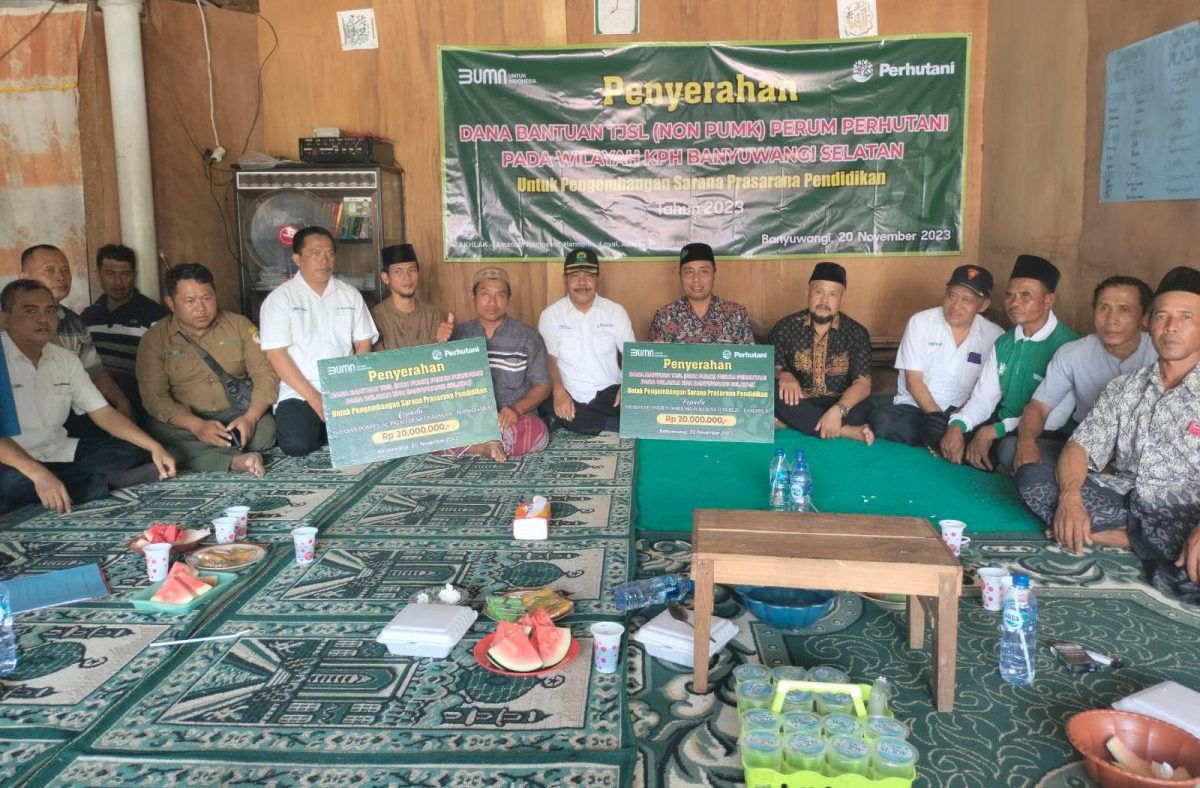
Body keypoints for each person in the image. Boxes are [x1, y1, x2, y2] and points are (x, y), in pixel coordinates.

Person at [1015, 267, 1200, 602]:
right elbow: (1079, 445)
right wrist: (1070, 497)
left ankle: (1119, 537)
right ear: (1149, 323)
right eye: (1162, 316)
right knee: (1032, 477)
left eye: (1185, 317)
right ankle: (1137, 536)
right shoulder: (1125, 387)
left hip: (1188, 508)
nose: (1171, 326)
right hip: (1125, 497)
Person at [0, 280, 175, 512]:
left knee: (140, 450)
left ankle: (69, 483)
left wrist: (154, 447)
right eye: (31, 311)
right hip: (11, 462)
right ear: (4, 318)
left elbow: (102, 412)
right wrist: (38, 474)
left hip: (58, 450)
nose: (43, 319)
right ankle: (107, 483)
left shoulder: (65, 359)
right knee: (10, 485)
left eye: (50, 311)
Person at [938, 254, 1079, 470]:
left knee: (1007, 449)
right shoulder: (1003, 342)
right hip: (1000, 424)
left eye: (1025, 296)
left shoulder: (1069, 346)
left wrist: (995, 430)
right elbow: (983, 400)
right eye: (1009, 295)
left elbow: (1056, 417)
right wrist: (957, 426)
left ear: (1048, 300)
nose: (1014, 303)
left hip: (1047, 433)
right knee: (945, 429)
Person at [137, 263, 279, 477]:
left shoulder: (239, 325)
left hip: (235, 413)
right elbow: (154, 397)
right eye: (190, 301)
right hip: (185, 419)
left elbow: (265, 375)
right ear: (171, 303)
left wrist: (250, 418)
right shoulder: (155, 338)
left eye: (207, 298)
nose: (201, 308)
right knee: (157, 432)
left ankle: (207, 453)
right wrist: (196, 425)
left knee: (267, 430)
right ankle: (236, 459)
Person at [1004, 275, 1156, 472]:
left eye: (1124, 309)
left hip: (1145, 454)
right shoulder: (1073, 353)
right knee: (1009, 449)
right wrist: (1026, 442)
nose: (1111, 320)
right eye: (1103, 308)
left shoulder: (1160, 354)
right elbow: (1039, 407)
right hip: (1086, 448)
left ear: (1144, 317)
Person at [260, 226, 378, 457]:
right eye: (315, 253)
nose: (324, 261)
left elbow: (363, 343)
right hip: (299, 391)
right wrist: (314, 398)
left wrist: (352, 388)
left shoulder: (350, 294)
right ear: (297, 259)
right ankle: (322, 428)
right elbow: (276, 355)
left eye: (329, 253)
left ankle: (328, 429)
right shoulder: (280, 299)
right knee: (297, 444)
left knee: (376, 434)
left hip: (343, 388)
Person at [870, 265, 1003, 447]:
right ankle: (947, 441)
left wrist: (957, 424)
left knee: (989, 429)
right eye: (952, 296)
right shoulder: (921, 322)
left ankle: (939, 440)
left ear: (984, 305)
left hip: (964, 414)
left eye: (966, 300)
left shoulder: (996, 336)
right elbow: (913, 381)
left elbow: (988, 393)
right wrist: (940, 422)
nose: (956, 305)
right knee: (882, 419)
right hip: (918, 409)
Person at [20, 244, 133, 420]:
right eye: (49, 270)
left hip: (66, 413)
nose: (60, 277)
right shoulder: (8, 322)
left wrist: (122, 403)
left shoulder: (74, 322)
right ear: (25, 278)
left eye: (65, 270)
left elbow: (95, 372)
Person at [451, 267, 551, 461]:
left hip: (513, 418)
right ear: (473, 297)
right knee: (435, 428)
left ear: (508, 299)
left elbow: (543, 385)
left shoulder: (528, 336)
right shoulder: (460, 334)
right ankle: (485, 447)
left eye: (500, 295)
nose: (492, 302)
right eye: (485, 294)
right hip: (471, 416)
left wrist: (516, 409)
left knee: (538, 432)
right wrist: (440, 344)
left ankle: (478, 444)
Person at [769, 262, 874, 442]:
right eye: (819, 292)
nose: (824, 301)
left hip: (839, 402)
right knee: (770, 391)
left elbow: (863, 383)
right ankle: (844, 431)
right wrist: (784, 374)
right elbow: (769, 366)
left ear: (842, 298)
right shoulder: (785, 327)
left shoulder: (856, 332)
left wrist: (838, 410)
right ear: (808, 292)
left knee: (865, 409)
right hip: (798, 401)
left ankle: (794, 422)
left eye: (832, 294)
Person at [538, 247, 636, 434]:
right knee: (545, 399)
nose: (582, 282)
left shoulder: (615, 312)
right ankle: (608, 424)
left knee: (635, 398)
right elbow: (550, 359)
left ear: (598, 279)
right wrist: (558, 391)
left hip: (608, 394)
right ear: (565, 280)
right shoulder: (550, 315)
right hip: (569, 392)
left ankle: (575, 423)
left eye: (589, 276)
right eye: (574, 276)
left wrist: (627, 386)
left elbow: (631, 355)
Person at [81, 244, 168, 421]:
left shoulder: (154, 315)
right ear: (99, 275)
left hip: (134, 398)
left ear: (134, 275)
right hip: (92, 397)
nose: (118, 282)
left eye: (125, 274)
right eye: (110, 274)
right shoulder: (88, 316)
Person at [648, 242, 754, 344]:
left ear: (714, 274)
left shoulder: (736, 314)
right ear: (680, 276)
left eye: (703, 271)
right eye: (689, 272)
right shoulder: (664, 317)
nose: (696, 279)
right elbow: (654, 355)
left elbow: (748, 356)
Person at [371, 243, 454, 350]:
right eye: (398, 271)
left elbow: (442, 356)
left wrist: (440, 342)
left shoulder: (433, 315)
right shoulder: (376, 318)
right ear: (385, 278)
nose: (407, 277)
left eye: (412, 270)